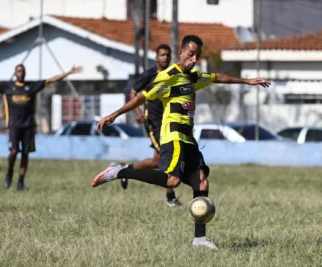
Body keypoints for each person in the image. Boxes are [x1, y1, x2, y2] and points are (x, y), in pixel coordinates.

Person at [92, 35, 271, 249]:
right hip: (173, 135)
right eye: (190, 54)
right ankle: (119, 172)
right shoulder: (168, 76)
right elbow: (142, 97)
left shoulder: (194, 77)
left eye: (197, 55)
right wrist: (115, 114)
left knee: (201, 181)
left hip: (188, 138)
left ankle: (200, 239)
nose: (193, 59)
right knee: (172, 181)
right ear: (181, 53)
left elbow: (217, 77)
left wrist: (247, 81)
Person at [0, 64, 82, 190]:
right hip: (14, 126)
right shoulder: (7, 87)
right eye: (18, 71)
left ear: (25, 73)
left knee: (25, 153)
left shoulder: (31, 87)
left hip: (28, 126)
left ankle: (21, 182)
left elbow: (51, 80)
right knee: (13, 151)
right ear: (15, 73)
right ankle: (9, 173)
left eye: (23, 71)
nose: (21, 73)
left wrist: (68, 72)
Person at [120, 44, 211, 208]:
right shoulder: (150, 75)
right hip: (155, 122)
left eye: (167, 55)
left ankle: (127, 168)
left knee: (157, 161)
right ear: (156, 57)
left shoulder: (175, 74)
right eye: (162, 55)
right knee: (164, 159)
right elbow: (134, 93)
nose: (165, 58)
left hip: (169, 121)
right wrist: (138, 112)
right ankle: (169, 195)